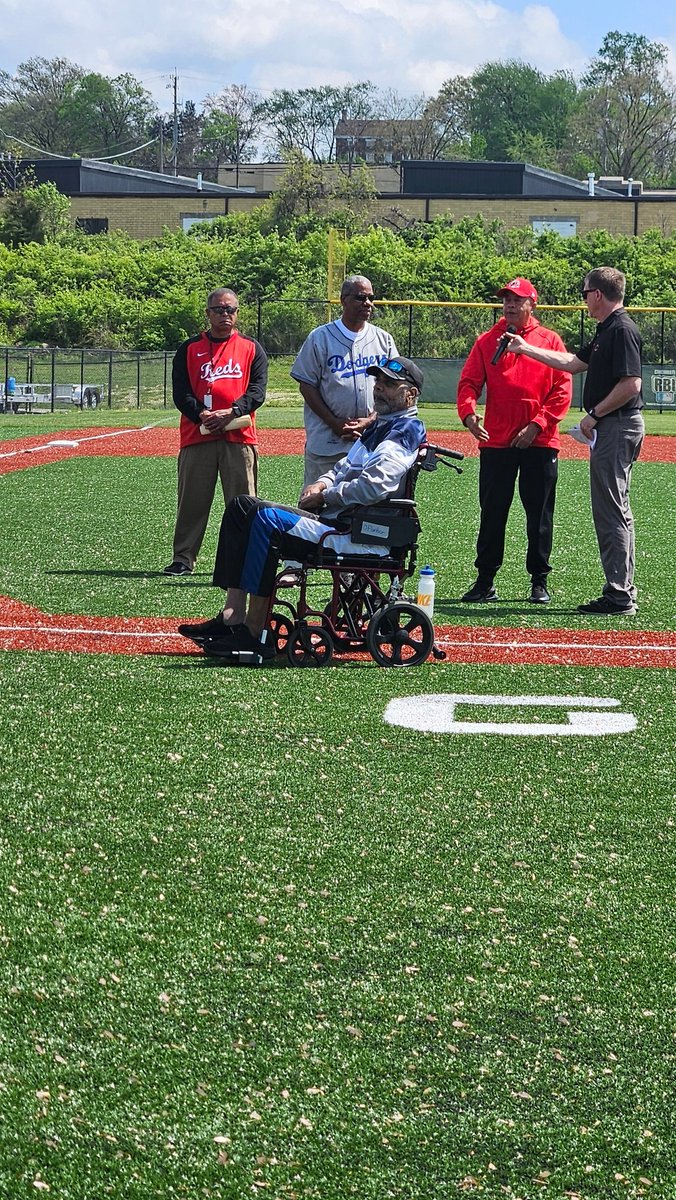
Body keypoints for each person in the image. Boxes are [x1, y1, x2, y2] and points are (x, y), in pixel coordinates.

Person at [177, 357, 426, 660]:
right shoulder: (382, 427)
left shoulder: (404, 431)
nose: (379, 388)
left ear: (410, 394)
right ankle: (232, 617)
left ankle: (255, 634)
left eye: (388, 384)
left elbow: (373, 487)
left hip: (360, 533)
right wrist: (321, 484)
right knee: (241, 507)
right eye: (378, 382)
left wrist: (326, 497)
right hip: (345, 522)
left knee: (266, 519)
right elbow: (344, 467)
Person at [506, 266, 644, 615]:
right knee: (616, 510)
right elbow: (570, 362)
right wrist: (525, 349)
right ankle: (621, 589)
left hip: (616, 425)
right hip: (613, 426)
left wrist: (594, 415)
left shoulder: (621, 329)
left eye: (585, 293)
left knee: (611, 511)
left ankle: (618, 594)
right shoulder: (607, 329)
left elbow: (632, 385)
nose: (583, 299)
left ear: (598, 294)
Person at [457, 277, 572, 604]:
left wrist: (537, 425)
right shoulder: (487, 340)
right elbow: (468, 383)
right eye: (506, 299)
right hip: (496, 442)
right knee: (492, 512)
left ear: (531, 304)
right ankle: (485, 580)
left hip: (540, 442)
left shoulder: (550, 341)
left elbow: (562, 391)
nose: (509, 304)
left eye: (516, 299)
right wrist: (468, 414)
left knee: (539, 516)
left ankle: (539, 580)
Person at [163, 288, 268, 576]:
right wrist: (202, 413)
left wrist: (232, 412)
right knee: (192, 503)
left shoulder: (251, 348)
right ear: (208, 313)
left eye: (230, 309)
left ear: (237, 313)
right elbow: (180, 392)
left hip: (238, 436)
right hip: (199, 435)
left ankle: (245, 559)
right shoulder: (189, 348)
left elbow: (257, 391)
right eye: (219, 309)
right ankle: (183, 558)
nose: (225, 315)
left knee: (244, 503)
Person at [291, 275, 398, 486]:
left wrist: (371, 420)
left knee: (364, 509)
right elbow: (307, 386)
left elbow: (394, 386)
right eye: (360, 298)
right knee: (318, 504)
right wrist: (334, 423)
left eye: (370, 298)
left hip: (371, 440)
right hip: (327, 442)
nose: (367, 303)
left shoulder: (383, 339)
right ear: (343, 300)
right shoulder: (320, 337)